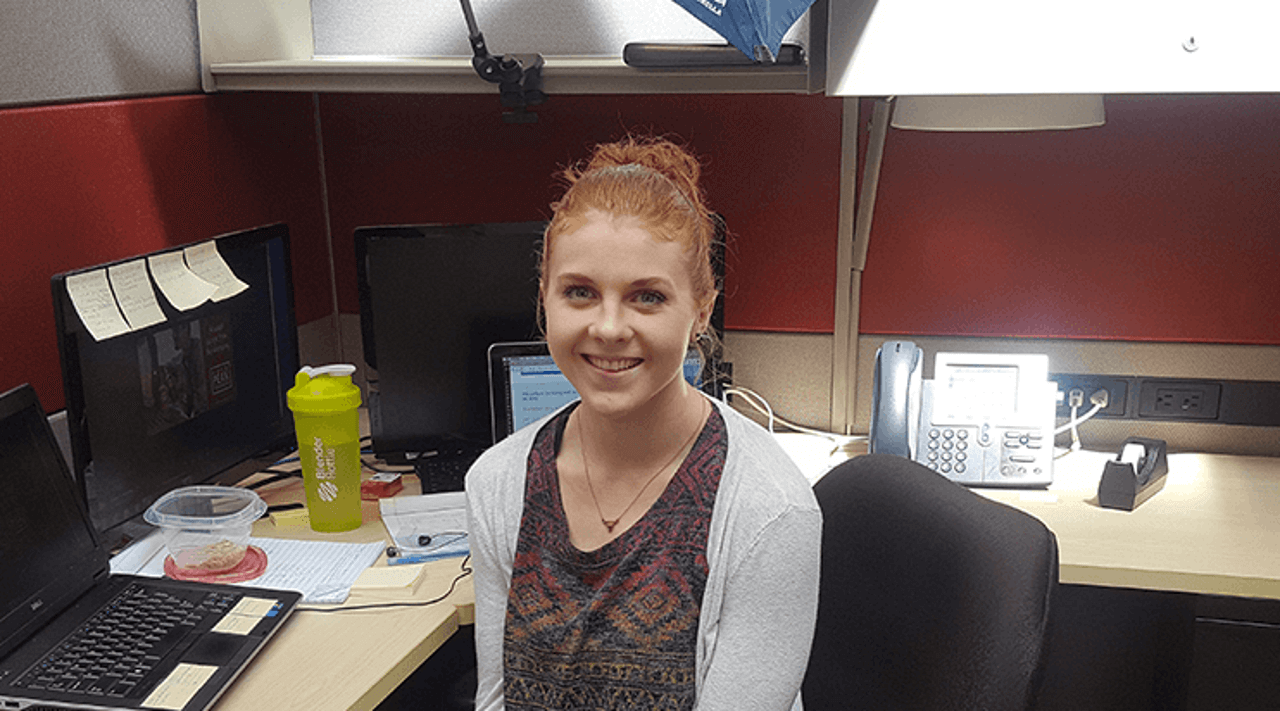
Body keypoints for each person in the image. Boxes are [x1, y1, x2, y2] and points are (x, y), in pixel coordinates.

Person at [466, 135, 822, 710]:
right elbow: (498, 699)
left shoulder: (769, 510)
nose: (608, 327)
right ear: (544, 298)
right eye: (579, 292)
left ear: (700, 309)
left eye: (647, 298)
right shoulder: (499, 484)